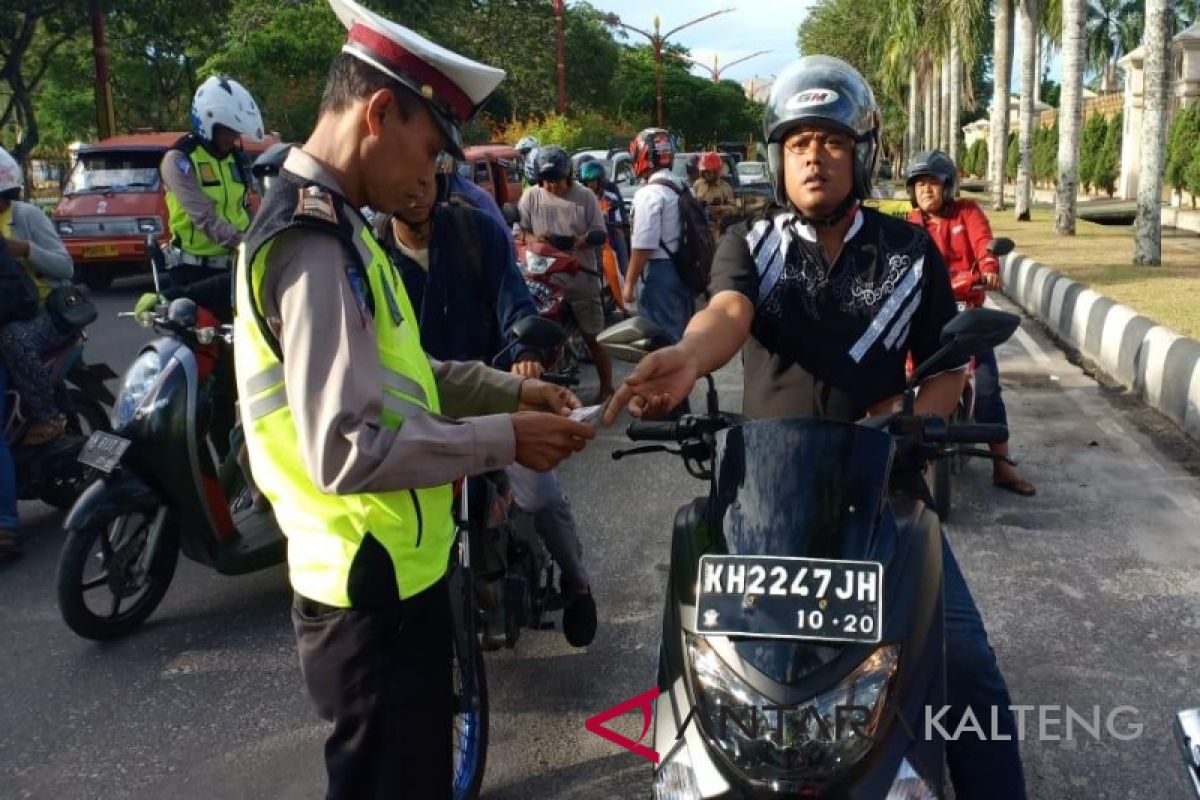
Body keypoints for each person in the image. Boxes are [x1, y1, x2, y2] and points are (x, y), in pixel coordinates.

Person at [604, 56, 1027, 799]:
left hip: (883, 496)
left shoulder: (907, 252)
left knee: (968, 667)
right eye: (797, 142)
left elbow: (945, 363)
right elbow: (724, 317)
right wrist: (684, 356)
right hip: (758, 506)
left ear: (861, 153)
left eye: (830, 141)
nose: (813, 157)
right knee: (692, 666)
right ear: (776, 158)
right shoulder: (752, 245)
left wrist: (915, 424)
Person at [231, 0, 595, 795]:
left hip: (398, 576)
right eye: (428, 149)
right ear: (379, 111)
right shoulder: (313, 241)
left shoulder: (348, 227)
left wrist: (514, 394)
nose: (430, 174)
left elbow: (413, 375)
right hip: (369, 594)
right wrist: (506, 438)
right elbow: (347, 448)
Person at [376, 174, 597, 646]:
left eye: (423, 171)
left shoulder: (477, 232)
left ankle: (578, 584)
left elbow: (514, 299)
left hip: (496, 394)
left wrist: (523, 348)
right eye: (403, 172)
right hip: (416, 411)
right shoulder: (369, 252)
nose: (412, 187)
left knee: (542, 499)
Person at [905, 150, 1036, 497]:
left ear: (948, 186)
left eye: (932, 182)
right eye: (918, 184)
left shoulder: (968, 212)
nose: (925, 190)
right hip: (925, 317)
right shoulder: (909, 225)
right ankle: (894, 457)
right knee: (897, 379)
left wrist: (989, 269)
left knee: (989, 384)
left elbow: (982, 243)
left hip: (967, 317)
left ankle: (1002, 467)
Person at [159, 75, 264, 460]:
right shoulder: (179, 160)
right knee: (195, 376)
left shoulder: (238, 159)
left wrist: (262, 235)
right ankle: (191, 457)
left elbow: (249, 210)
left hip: (232, 275)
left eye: (236, 133)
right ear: (206, 122)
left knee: (231, 376)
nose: (232, 139)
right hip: (191, 278)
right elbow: (203, 218)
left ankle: (227, 463)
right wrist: (249, 242)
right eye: (226, 131)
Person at [517, 145, 615, 401]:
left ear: (568, 175)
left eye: (556, 180)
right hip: (543, 282)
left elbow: (599, 233)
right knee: (542, 341)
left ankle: (607, 388)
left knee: (594, 338)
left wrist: (575, 242)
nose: (552, 186)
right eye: (546, 181)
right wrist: (536, 239)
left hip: (581, 279)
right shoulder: (531, 197)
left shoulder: (585, 197)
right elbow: (519, 232)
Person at [0, 146, 77, 446]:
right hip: (7, 312)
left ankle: (49, 415)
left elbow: (65, 267)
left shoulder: (27, 216)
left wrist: (26, 250)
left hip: (47, 313)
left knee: (10, 339)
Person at [624, 128, 695, 343]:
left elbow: (644, 244)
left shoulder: (649, 193)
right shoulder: (684, 187)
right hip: (685, 269)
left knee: (662, 344)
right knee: (682, 340)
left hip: (660, 274)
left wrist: (629, 283)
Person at [578, 157, 630, 278]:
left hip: (611, 235)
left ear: (600, 180)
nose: (591, 184)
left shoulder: (610, 195)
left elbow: (618, 216)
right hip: (590, 237)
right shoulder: (580, 198)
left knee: (620, 240)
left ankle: (626, 284)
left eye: (594, 180)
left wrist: (617, 223)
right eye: (588, 181)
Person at [692, 150, 735, 245]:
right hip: (699, 231)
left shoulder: (725, 188)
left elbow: (734, 208)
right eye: (704, 171)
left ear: (716, 171)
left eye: (709, 171)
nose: (706, 173)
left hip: (718, 232)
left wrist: (720, 209)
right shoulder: (697, 185)